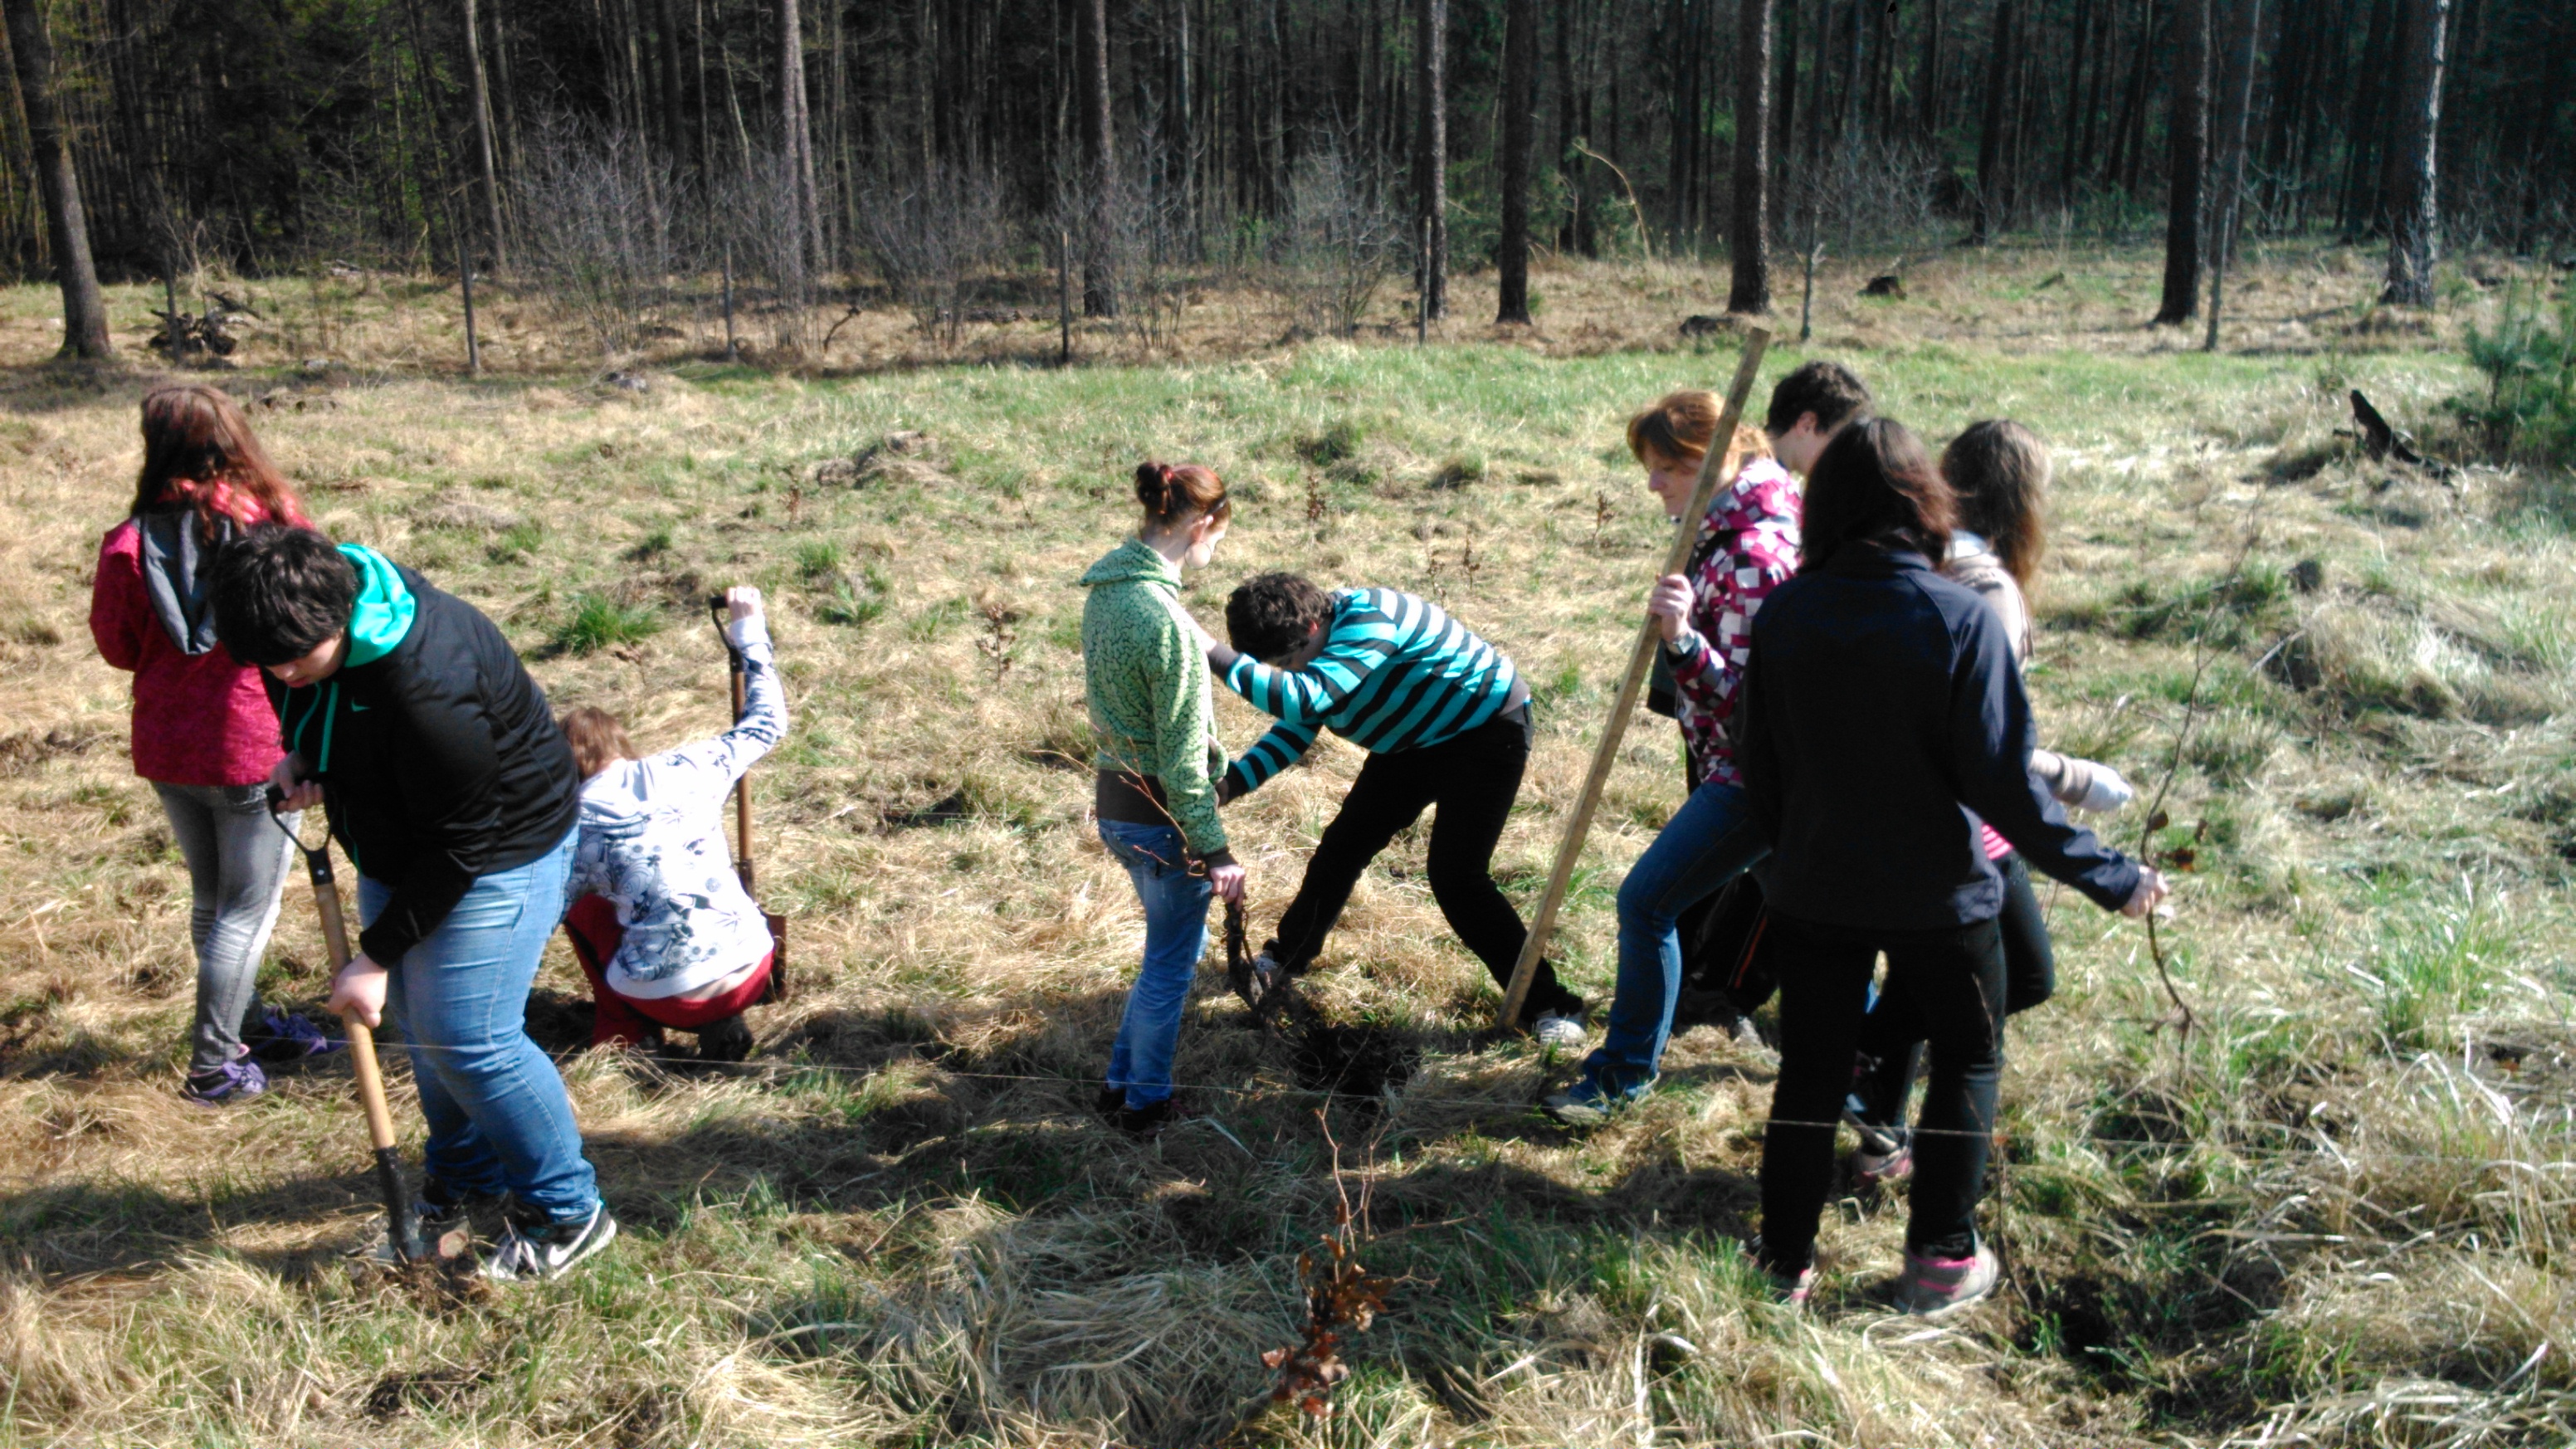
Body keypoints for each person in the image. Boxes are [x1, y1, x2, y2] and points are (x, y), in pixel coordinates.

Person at [1734, 419, 2167, 1315]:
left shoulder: (1784, 612)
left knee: (1809, 1070)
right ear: (1922, 500)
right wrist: (2112, 877)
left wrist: (1793, 860)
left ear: (1824, 509)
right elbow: (2005, 785)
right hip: (1939, 896)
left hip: (1813, 890)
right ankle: (1938, 1258)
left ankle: (1781, 1265)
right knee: (1969, 1053)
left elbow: (1760, 772)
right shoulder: (1959, 617)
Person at [210, 525, 613, 1282]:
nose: (279, 673)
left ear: (338, 621)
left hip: (501, 846)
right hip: (404, 839)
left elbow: (461, 842)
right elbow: (323, 701)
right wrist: (305, 754)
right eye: (266, 661)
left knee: (469, 1036)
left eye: (296, 658)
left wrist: (376, 955)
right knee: (427, 1028)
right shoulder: (298, 629)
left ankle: (568, 1212)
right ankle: (465, 1178)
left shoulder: (429, 684)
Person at [1544, 363, 1868, 1125]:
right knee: (1809, 924)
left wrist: (1682, 639)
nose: (1653, 486)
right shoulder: (1729, 529)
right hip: (1778, 772)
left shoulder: (1755, 553)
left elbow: (1752, 707)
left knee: (1647, 902)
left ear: (1711, 461)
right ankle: (1879, 1058)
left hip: (1762, 773)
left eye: (1666, 470)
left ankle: (1623, 1073)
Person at [1842, 420, 2135, 1187]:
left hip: (1907, 822)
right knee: (2017, 986)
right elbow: (1980, 743)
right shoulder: (1987, 589)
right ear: (2023, 497)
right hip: (1968, 831)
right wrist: (2070, 778)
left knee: (1923, 977)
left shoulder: (1926, 557)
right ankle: (1939, 1220)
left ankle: (1876, 1115)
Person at [88, 385, 340, 1105]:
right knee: (246, 910)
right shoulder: (271, 523)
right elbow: (321, 613)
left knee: (215, 899)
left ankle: (245, 1022)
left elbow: (116, 646)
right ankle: (214, 1065)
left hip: (169, 744)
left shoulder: (128, 541)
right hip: (255, 742)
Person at [1208, 573, 1583, 1045]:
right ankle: (1287, 959)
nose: (1288, 672)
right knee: (1341, 850)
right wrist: (1226, 788)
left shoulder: (1371, 620)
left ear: (1310, 627)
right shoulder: (1315, 656)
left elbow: (1309, 698)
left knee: (1457, 877)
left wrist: (1206, 648)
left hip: (1486, 731)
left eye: (1287, 661)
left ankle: (1551, 1005)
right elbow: (1295, 727)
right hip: (1408, 746)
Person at [1080, 462, 1247, 1139]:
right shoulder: (1169, 624)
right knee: (1171, 970)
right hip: (1162, 820)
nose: (1214, 550)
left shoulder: (1107, 594)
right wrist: (1217, 850)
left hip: (1116, 807)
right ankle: (1146, 1103)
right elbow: (1181, 761)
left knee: (1159, 958)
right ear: (1200, 524)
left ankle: (1121, 1084)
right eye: (1217, 536)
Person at [559, 586, 785, 1062]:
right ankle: (725, 1017)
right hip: (753, 970)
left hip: (667, 1000)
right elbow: (766, 723)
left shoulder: (567, 829)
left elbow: (539, 916)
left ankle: (627, 1035)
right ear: (623, 743)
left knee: (581, 911)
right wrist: (749, 630)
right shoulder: (689, 766)